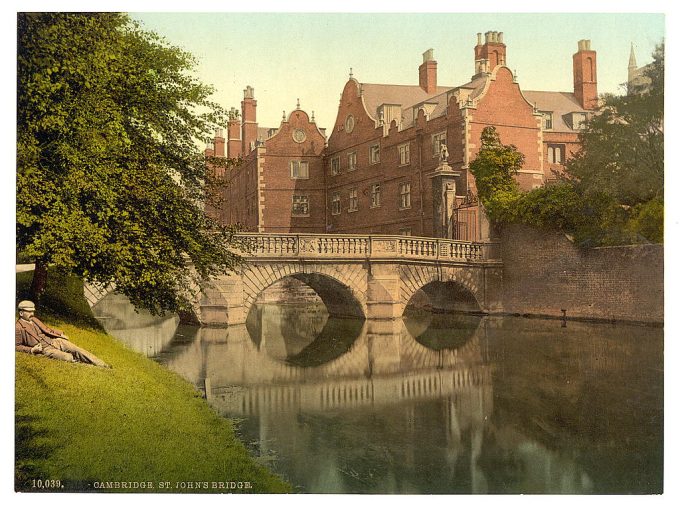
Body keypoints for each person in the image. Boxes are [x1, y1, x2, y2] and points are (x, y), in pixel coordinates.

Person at [15, 300, 110, 368]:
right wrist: (32, 349)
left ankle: (101, 364)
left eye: (33, 311)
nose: (32, 313)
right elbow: (16, 346)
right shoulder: (18, 327)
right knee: (67, 357)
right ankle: (88, 366)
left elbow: (47, 329)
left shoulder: (34, 319)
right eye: (29, 311)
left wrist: (60, 335)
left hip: (54, 341)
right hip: (45, 349)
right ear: (21, 313)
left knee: (77, 349)